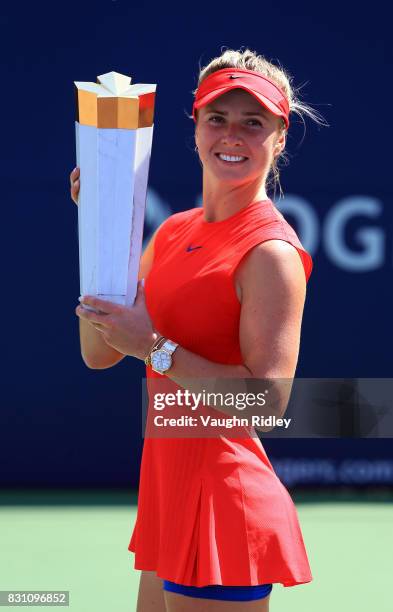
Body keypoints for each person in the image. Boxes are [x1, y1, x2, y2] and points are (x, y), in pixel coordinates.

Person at [70, 48, 324, 612]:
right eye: (217, 118)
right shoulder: (172, 232)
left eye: (252, 123)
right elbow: (99, 351)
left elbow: (266, 404)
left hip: (224, 502)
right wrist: (99, 227)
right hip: (169, 493)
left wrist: (154, 350)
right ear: (195, 127)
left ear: (279, 137)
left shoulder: (271, 253)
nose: (231, 135)